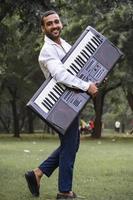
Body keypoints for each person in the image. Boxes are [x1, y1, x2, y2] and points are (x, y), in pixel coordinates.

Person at [25, 10, 98, 199]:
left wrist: (94, 81)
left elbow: (78, 71)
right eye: (49, 23)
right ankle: (64, 192)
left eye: (56, 22)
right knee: (70, 146)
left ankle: (37, 174)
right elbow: (61, 76)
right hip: (59, 105)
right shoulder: (47, 50)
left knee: (71, 145)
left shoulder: (66, 45)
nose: (54, 26)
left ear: (61, 24)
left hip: (70, 102)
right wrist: (85, 86)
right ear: (43, 28)